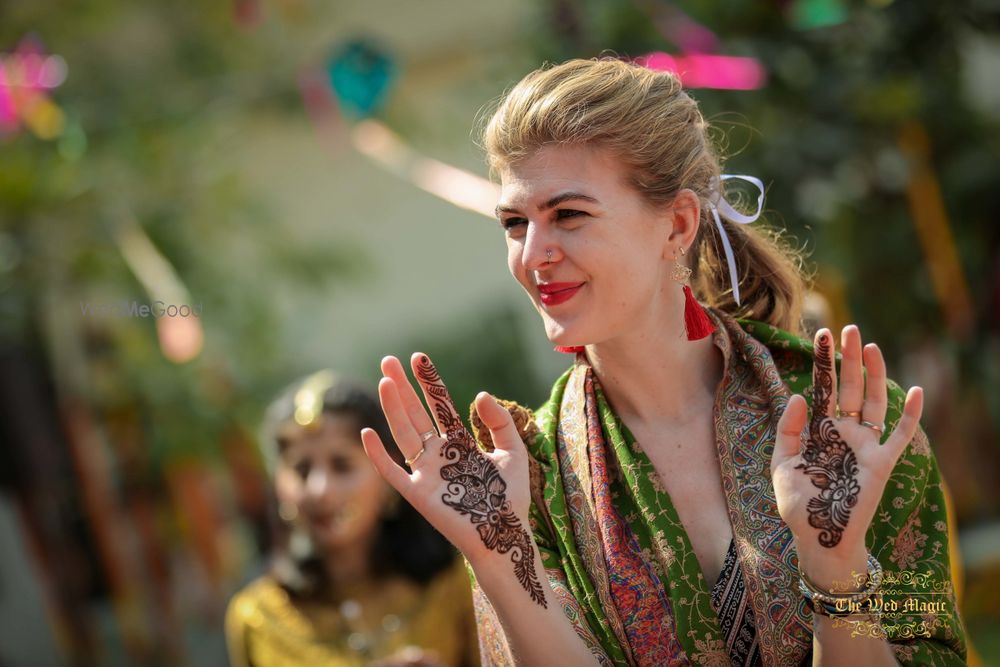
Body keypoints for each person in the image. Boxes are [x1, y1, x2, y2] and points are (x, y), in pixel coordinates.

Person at [361, 58, 968, 666]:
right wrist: (500, 561)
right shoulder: (527, 478)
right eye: (515, 223)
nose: (534, 255)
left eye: (568, 215)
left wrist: (836, 567)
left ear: (676, 224)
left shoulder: (841, 425)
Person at [225, 370, 480, 667]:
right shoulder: (258, 618)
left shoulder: (451, 583)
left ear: (389, 476)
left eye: (342, 466)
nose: (319, 490)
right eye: (301, 470)